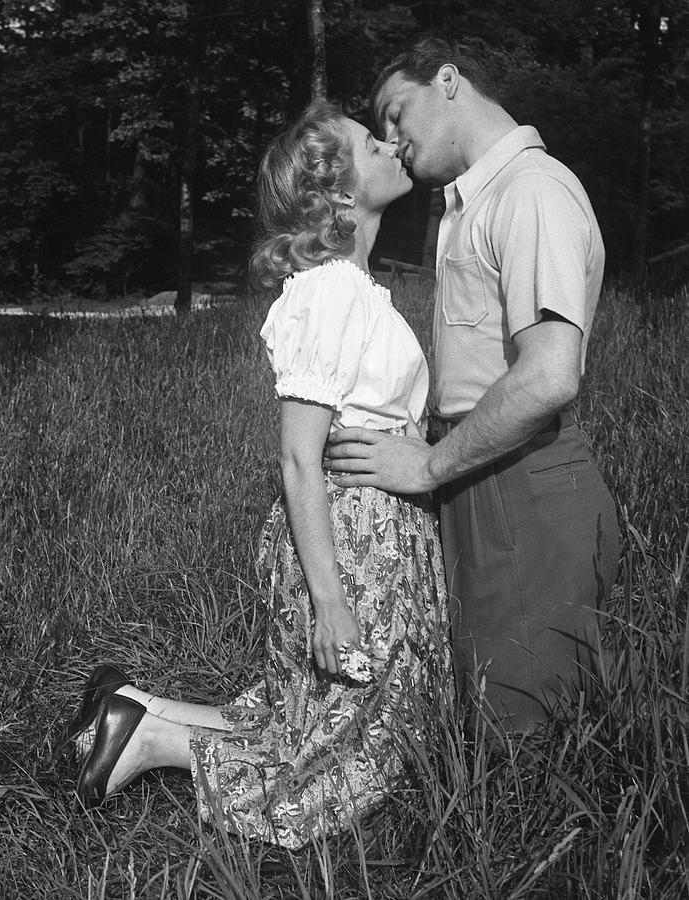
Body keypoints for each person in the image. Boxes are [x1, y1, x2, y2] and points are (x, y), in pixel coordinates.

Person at [63, 99, 450, 850]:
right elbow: (298, 455)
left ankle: (133, 707)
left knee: (313, 713)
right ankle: (155, 743)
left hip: (366, 526)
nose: (393, 144)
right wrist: (331, 603)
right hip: (351, 537)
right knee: (355, 747)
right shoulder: (332, 291)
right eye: (373, 144)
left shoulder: (353, 289)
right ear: (339, 192)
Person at [325, 38, 620, 738]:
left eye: (396, 115)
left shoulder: (530, 190)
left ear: (448, 82)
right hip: (480, 470)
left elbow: (548, 374)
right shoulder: (476, 200)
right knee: (477, 719)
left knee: (518, 737)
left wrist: (427, 465)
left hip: (521, 478)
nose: (392, 143)